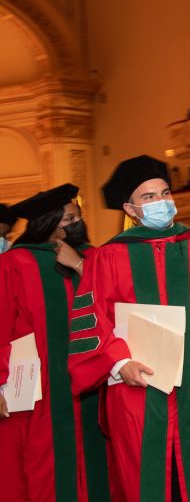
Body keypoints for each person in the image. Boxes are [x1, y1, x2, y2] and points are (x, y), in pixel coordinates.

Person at [67, 155, 190, 501]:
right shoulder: (108, 257)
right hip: (135, 384)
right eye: (149, 197)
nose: (161, 202)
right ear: (130, 209)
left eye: (165, 193)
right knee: (144, 470)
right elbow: (94, 319)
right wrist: (117, 363)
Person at [0, 184, 112, 501]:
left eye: (76, 218)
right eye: (66, 219)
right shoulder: (14, 264)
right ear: (46, 223)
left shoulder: (94, 257)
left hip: (94, 382)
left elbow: (114, 308)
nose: (74, 225)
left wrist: (80, 265)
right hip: (38, 386)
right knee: (43, 461)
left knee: (98, 458)